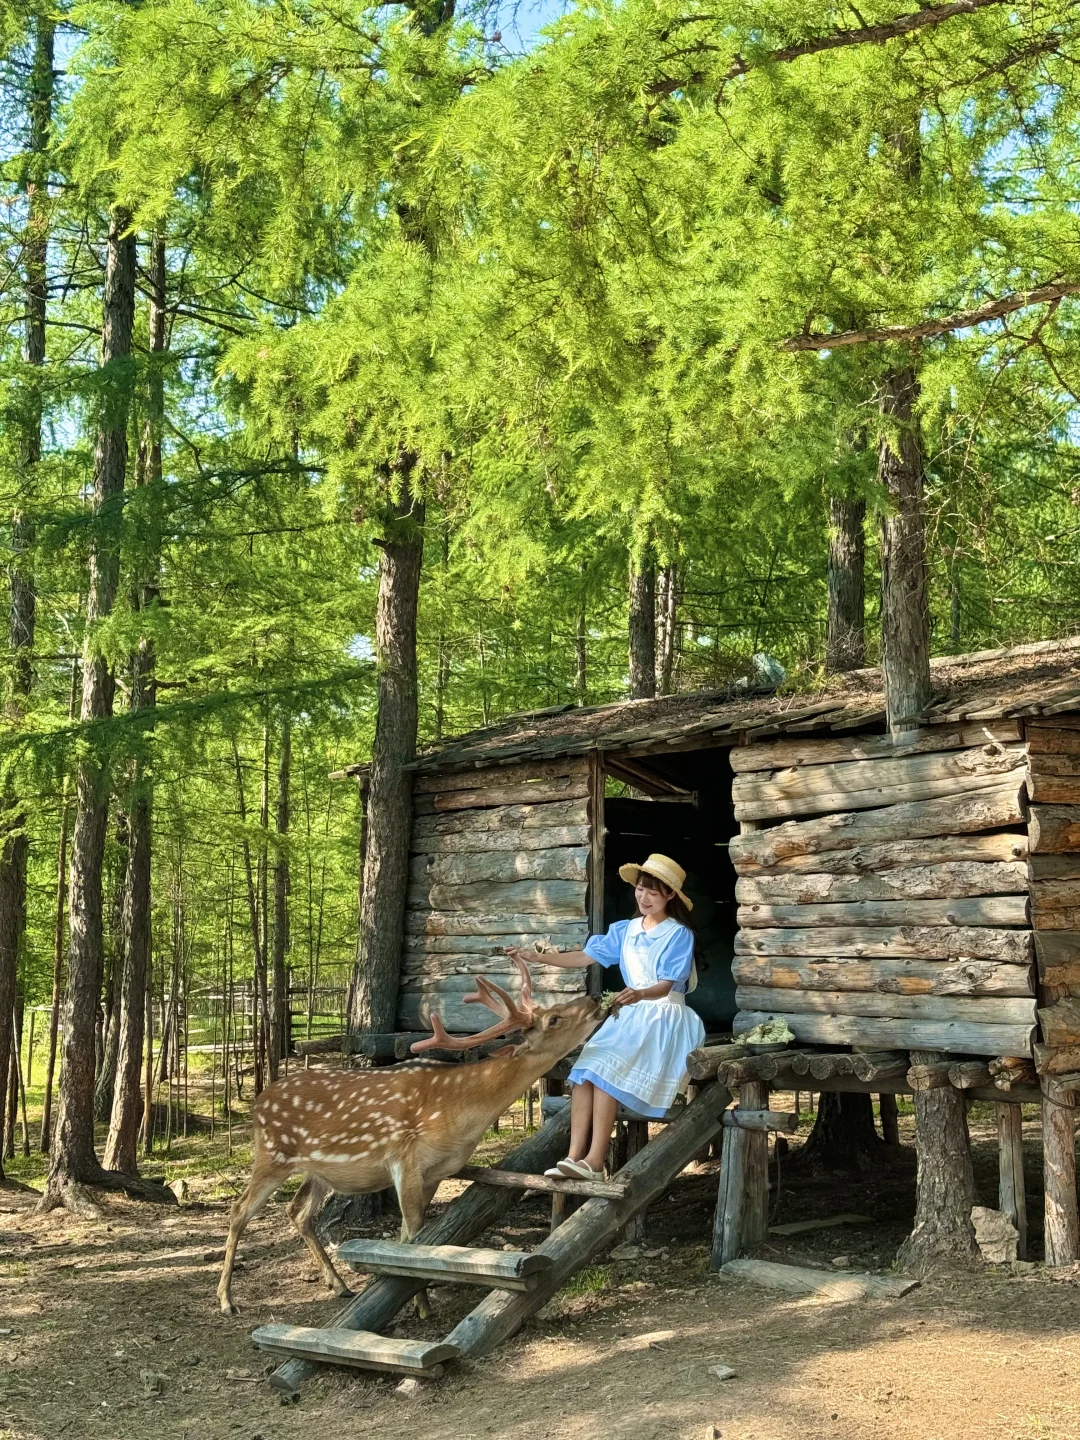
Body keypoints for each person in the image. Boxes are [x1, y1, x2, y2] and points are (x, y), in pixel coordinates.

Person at [506, 853, 705, 1179]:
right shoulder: (625, 930)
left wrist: (640, 993)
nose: (644, 897)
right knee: (584, 1072)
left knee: (605, 1072)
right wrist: (535, 958)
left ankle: (595, 1162)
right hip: (628, 1014)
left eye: (653, 893)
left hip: (663, 1016)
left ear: (669, 895)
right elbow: (585, 956)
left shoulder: (678, 934)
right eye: (640, 889)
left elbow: (668, 984)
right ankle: (574, 1158)